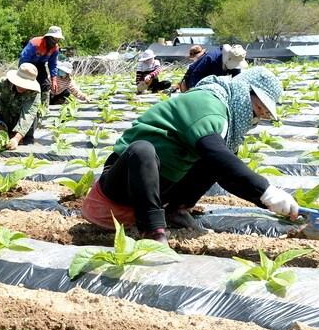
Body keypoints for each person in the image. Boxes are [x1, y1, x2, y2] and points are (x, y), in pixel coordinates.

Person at [81, 67, 299, 242]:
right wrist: (266, 190)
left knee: (215, 162)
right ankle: (153, 232)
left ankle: (175, 211)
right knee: (143, 150)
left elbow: (226, 172)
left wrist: (266, 200)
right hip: (120, 189)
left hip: (159, 188)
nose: (255, 118)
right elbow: (215, 152)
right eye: (258, 109)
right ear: (245, 92)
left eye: (261, 114)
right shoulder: (207, 103)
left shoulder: (226, 119)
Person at [0, 63, 43, 151]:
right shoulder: (5, 83)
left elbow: (27, 116)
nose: (22, 86)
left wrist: (17, 138)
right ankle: (3, 133)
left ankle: (22, 138)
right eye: (20, 82)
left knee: (34, 115)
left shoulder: (34, 93)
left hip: (20, 120)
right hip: (4, 119)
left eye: (25, 84)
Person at [19, 26, 64, 102]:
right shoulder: (35, 43)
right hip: (27, 64)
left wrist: (54, 80)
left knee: (45, 85)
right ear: (49, 37)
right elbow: (24, 58)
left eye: (58, 40)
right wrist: (24, 72)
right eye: (54, 39)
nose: (56, 42)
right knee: (27, 85)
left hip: (40, 65)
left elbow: (53, 64)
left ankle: (44, 108)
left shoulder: (55, 48)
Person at [179, 43, 246, 92]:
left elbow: (237, 79)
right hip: (192, 81)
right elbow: (195, 74)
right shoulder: (212, 58)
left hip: (211, 85)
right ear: (228, 59)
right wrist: (192, 92)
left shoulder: (235, 56)